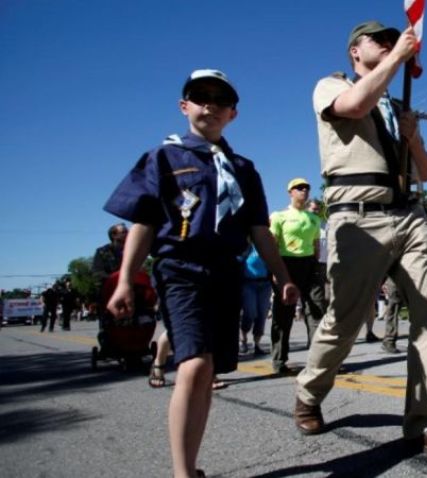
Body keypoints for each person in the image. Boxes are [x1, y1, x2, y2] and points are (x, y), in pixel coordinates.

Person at [103, 69, 298, 478]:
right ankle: (181, 473)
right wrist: (125, 278)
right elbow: (145, 222)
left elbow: (259, 230)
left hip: (226, 272)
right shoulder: (164, 157)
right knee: (192, 363)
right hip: (180, 267)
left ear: (233, 113)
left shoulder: (243, 168)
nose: (210, 104)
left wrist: (283, 276)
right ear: (184, 106)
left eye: (220, 99)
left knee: (208, 368)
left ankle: (190, 466)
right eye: (200, 96)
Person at [294, 22, 427, 461]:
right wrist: (399, 58)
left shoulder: (396, 107)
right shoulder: (331, 85)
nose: (391, 46)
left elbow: (426, 172)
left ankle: (426, 422)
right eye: (381, 41)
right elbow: (352, 106)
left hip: (410, 215)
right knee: (346, 319)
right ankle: (310, 390)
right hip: (358, 217)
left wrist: (412, 138)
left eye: (395, 42)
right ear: (356, 50)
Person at [269, 178, 325, 374]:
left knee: (317, 311)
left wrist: (316, 265)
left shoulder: (314, 219)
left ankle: (317, 361)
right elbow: (273, 244)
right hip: (286, 264)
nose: (304, 191)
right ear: (290, 192)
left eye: (306, 188)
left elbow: (317, 245)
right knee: (283, 315)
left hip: (310, 264)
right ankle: (279, 361)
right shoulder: (279, 216)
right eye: (299, 188)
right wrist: (277, 272)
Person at [241, 245, 272, 355]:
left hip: (265, 284)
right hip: (249, 283)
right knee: (250, 312)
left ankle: (257, 345)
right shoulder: (247, 247)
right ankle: (243, 339)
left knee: (262, 314)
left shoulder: (268, 246)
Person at [381, 276, 403, 354]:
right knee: (394, 310)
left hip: (398, 279)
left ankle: (389, 340)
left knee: (393, 310)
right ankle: (389, 341)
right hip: (395, 280)